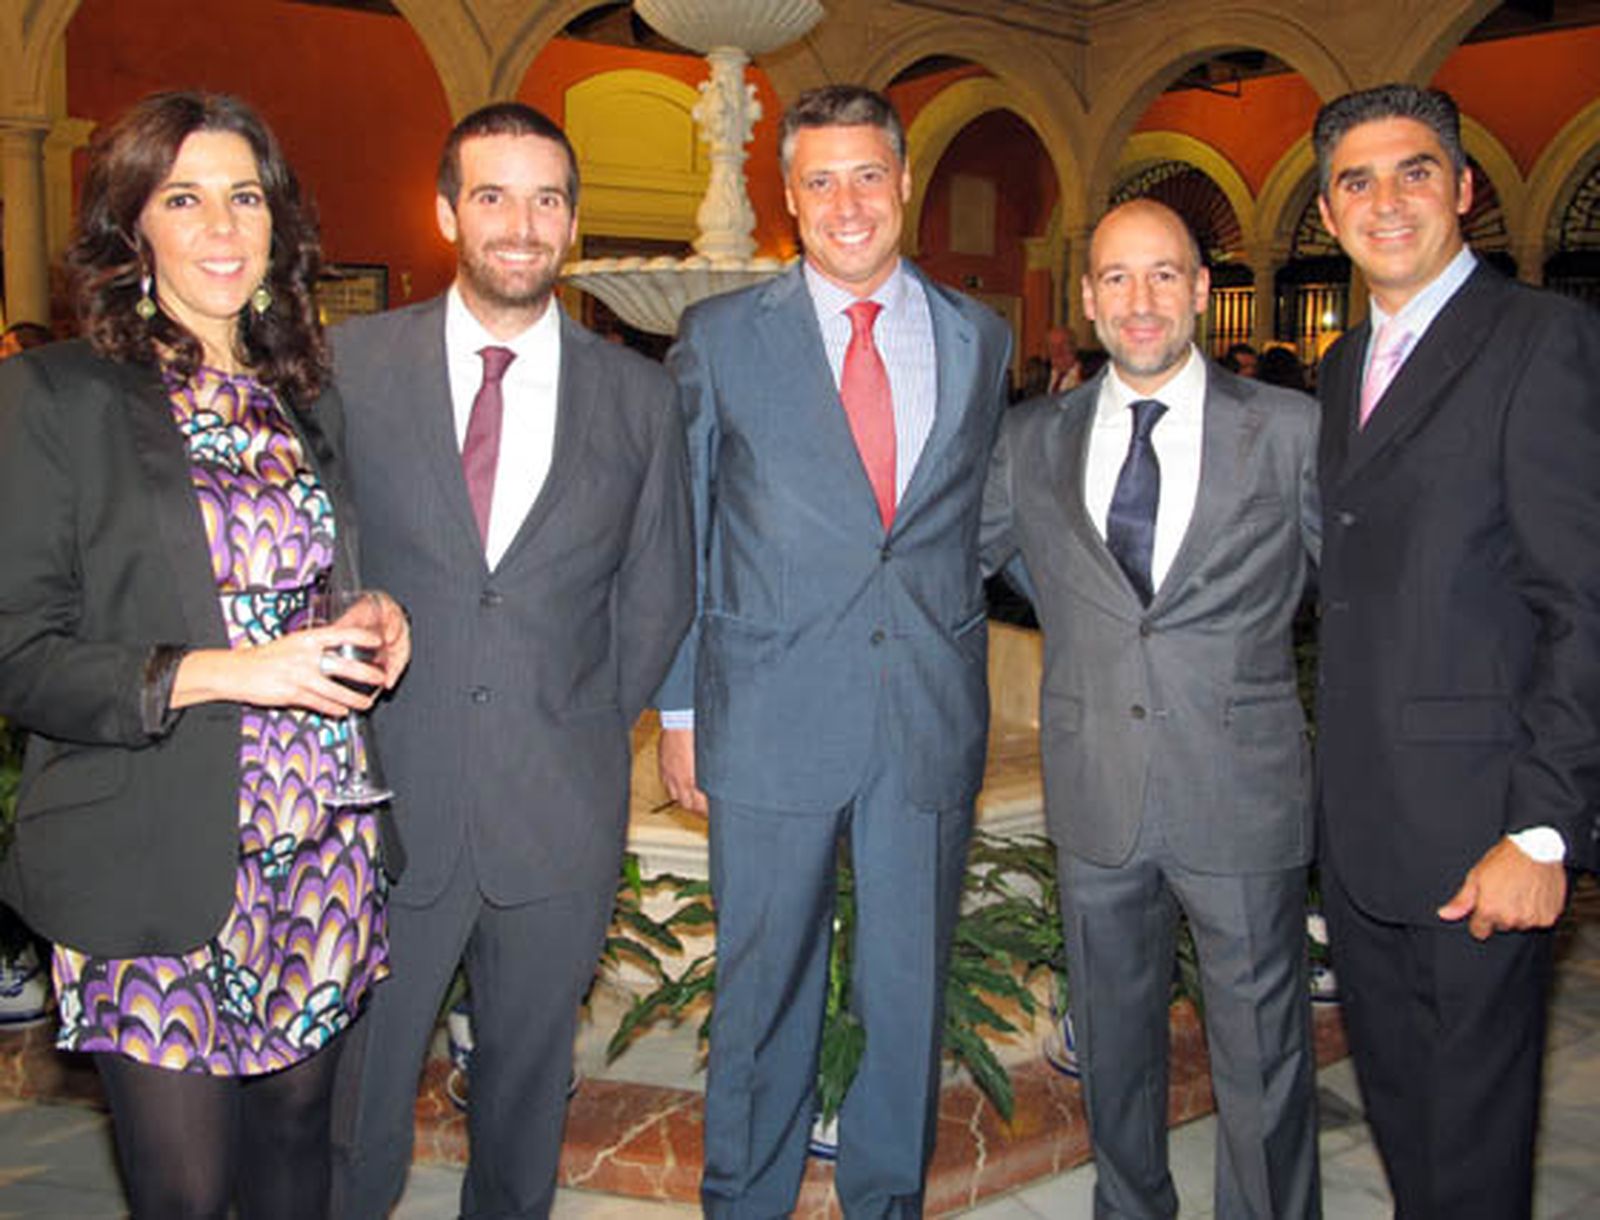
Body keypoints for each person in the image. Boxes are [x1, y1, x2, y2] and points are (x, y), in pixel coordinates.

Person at [0, 90, 408, 1220]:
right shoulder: (55, 396)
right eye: (184, 199)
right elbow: (19, 652)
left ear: (279, 223)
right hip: (152, 847)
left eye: (245, 197)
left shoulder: (302, 398)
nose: (223, 226)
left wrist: (377, 610)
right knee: (185, 1191)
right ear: (132, 227)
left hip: (318, 839)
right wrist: (231, 669)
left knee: (296, 1155)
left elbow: (314, 577)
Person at [328, 102, 693, 1219]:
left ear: (572, 223)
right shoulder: (350, 366)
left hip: (556, 806)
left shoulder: (638, 396)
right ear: (448, 213)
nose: (521, 224)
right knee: (356, 1107)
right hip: (383, 800)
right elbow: (318, 550)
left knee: (527, 1104)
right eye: (493, 195)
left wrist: (578, 720)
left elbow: (659, 587)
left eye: (546, 200)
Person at [655, 83, 1012, 1217]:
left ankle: (886, 1200)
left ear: (903, 181)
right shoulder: (720, 338)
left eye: (867, 175)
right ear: (788, 197)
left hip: (926, 713)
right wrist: (680, 711)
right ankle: (744, 1202)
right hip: (768, 715)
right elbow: (683, 531)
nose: (847, 202)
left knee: (906, 994)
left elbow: (973, 519)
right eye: (821, 180)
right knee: (764, 994)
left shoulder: (978, 335)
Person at [981, 199, 1322, 1220]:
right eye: (1118, 277)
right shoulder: (1029, 439)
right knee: (1114, 1043)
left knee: (1263, 1057)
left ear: (1202, 291)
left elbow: (1360, 598)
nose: (1141, 299)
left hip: (1241, 788)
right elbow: (960, 564)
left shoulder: (1288, 430)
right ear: (1087, 298)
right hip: (1097, 790)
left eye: (1164, 274)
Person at [1312, 83, 1600, 1219]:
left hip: (1483, 828)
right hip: (1365, 828)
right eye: (1357, 181)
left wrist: (1543, 827)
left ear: (1465, 190)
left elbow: (1582, 599)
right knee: (1403, 1116)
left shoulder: (1541, 340)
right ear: (1327, 213)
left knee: (1474, 1145)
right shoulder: (1345, 366)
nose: (1386, 201)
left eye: (1414, 171)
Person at [1046, 322, 1082, 393]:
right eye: (1053, 346)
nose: (1057, 351)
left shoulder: (1085, 377)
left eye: (1063, 344)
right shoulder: (1044, 376)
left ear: (1074, 347)